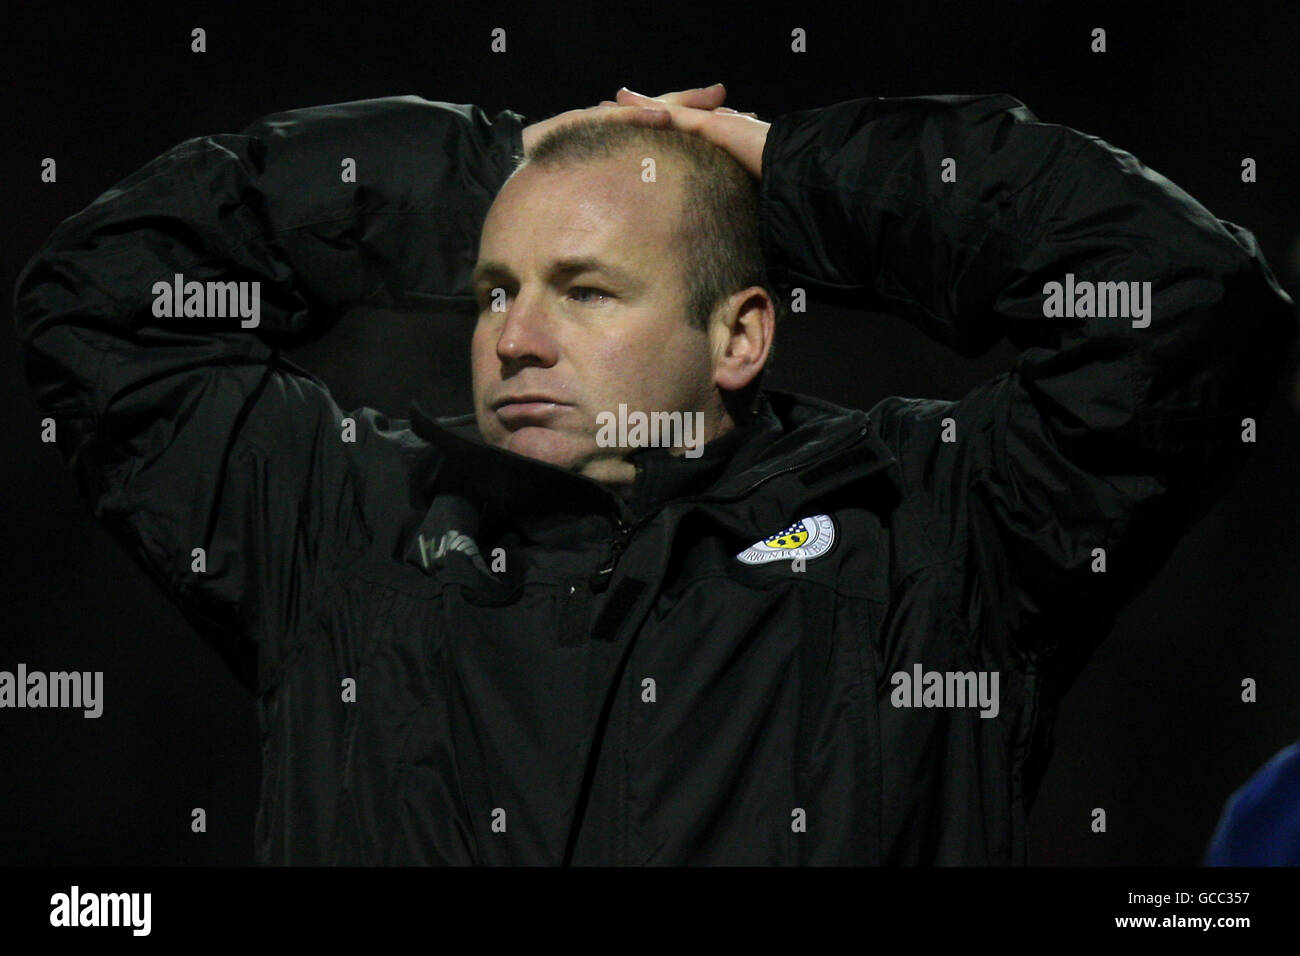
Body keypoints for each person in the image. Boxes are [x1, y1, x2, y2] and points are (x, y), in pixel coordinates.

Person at [13, 83, 1295, 865]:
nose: (513, 335)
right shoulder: (342, 520)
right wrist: (488, 169)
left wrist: (793, 177)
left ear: (737, 333)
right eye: (494, 286)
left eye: (584, 288)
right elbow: (99, 297)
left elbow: (1188, 302)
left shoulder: (933, 527)